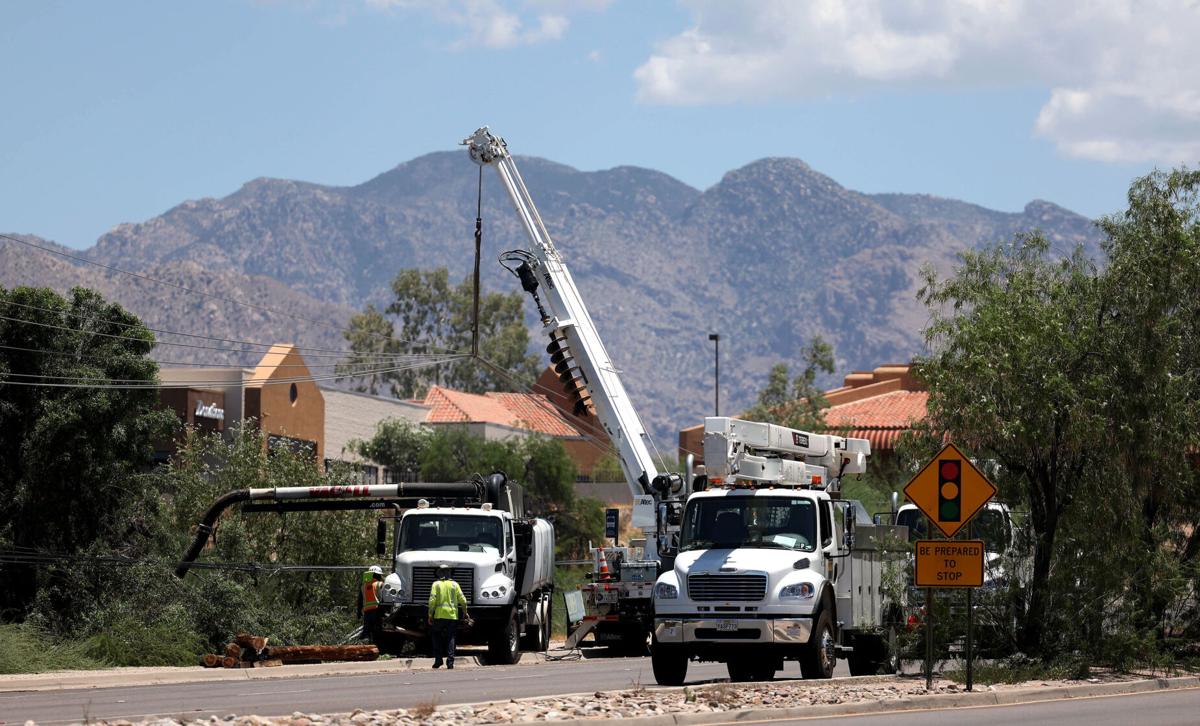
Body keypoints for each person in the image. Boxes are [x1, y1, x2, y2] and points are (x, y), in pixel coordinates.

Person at [428, 563, 470, 669]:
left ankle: (438, 660)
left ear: (439, 574)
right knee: (451, 638)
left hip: (438, 616)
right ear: (450, 574)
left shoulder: (436, 584)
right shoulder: (455, 585)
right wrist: (465, 612)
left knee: (436, 636)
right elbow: (463, 600)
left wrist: (430, 614)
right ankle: (450, 662)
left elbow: (432, 600)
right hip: (452, 616)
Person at [357, 565, 384, 643]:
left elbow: (360, 600)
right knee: (377, 631)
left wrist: (359, 612)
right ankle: (377, 648)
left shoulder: (363, 586)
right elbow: (384, 599)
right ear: (378, 575)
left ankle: (367, 647)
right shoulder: (380, 584)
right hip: (376, 611)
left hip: (367, 612)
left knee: (367, 631)